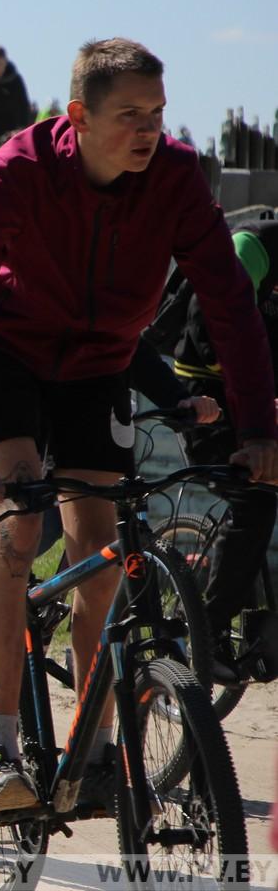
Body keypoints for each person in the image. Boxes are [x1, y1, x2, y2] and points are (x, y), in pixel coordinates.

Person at [0, 37, 278, 824]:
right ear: (78, 116)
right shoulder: (16, 172)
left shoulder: (178, 179)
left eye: (157, 112)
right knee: (16, 531)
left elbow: (230, 306)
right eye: (129, 116)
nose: (148, 130)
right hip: (5, 358)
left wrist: (259, 430)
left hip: (98, 370)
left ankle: (95, 755)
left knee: (102, 554)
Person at [144, 216, 278, 678]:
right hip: (203, 400)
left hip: (259, 403)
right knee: (254, 500)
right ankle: (207, 634)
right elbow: (215, 331)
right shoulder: (252, 247)